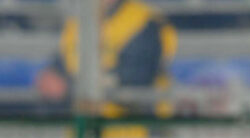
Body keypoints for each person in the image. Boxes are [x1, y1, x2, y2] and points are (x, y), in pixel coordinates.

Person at [36, 0, 177, 116]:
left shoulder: (144, 20)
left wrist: (70, 86)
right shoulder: (79, 22)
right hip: (85, 137)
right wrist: (51, 77)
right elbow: (61, 63)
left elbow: (136, 78)